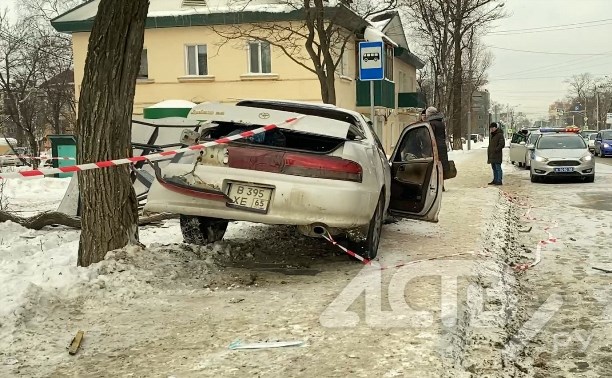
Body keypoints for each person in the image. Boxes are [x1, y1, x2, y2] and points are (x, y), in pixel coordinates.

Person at [425, 107, 450, 190]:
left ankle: (436, 186)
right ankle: (441, 185)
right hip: (442, 146)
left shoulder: (431, 123)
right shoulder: (441, 123)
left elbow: (430, 136)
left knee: (434, 166)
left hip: (435, 147)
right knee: (441, 166)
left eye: (427, 113)